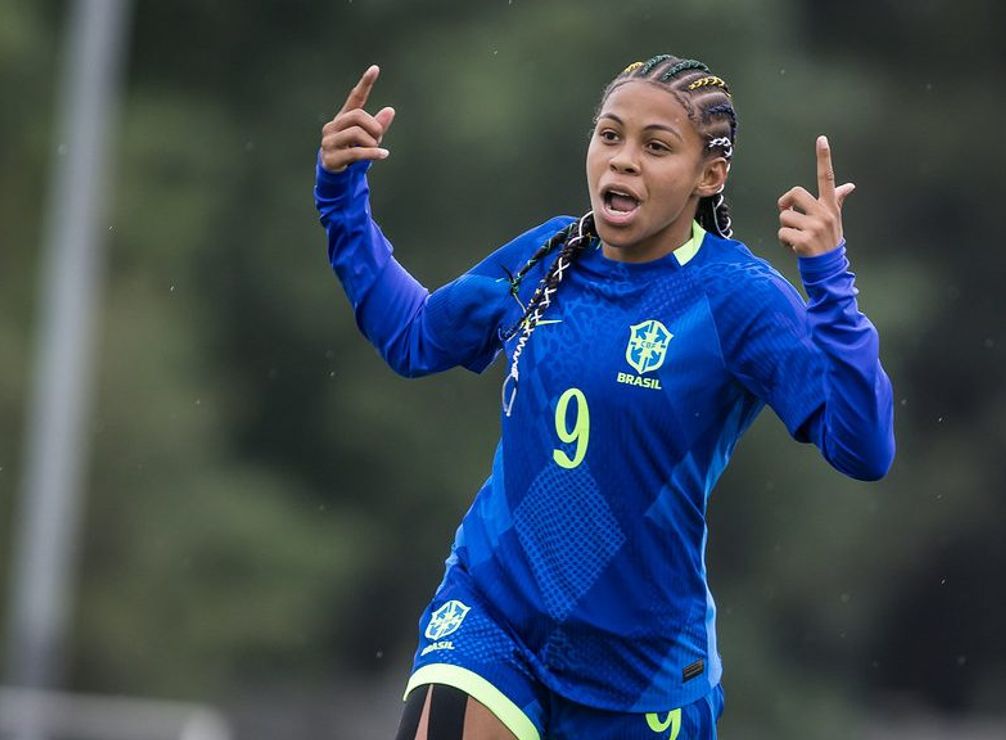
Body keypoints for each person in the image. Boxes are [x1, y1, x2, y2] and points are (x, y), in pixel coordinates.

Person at [315, 54, 894, 740]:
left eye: (656, 147)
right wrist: (340, 195)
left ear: (710, 176)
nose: (622, 161)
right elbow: (414, 336)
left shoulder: (738, 297)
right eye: (610, 136)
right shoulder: (545, 257)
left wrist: (830, 283)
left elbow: (863, 449)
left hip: (641, 671)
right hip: (495, 615)